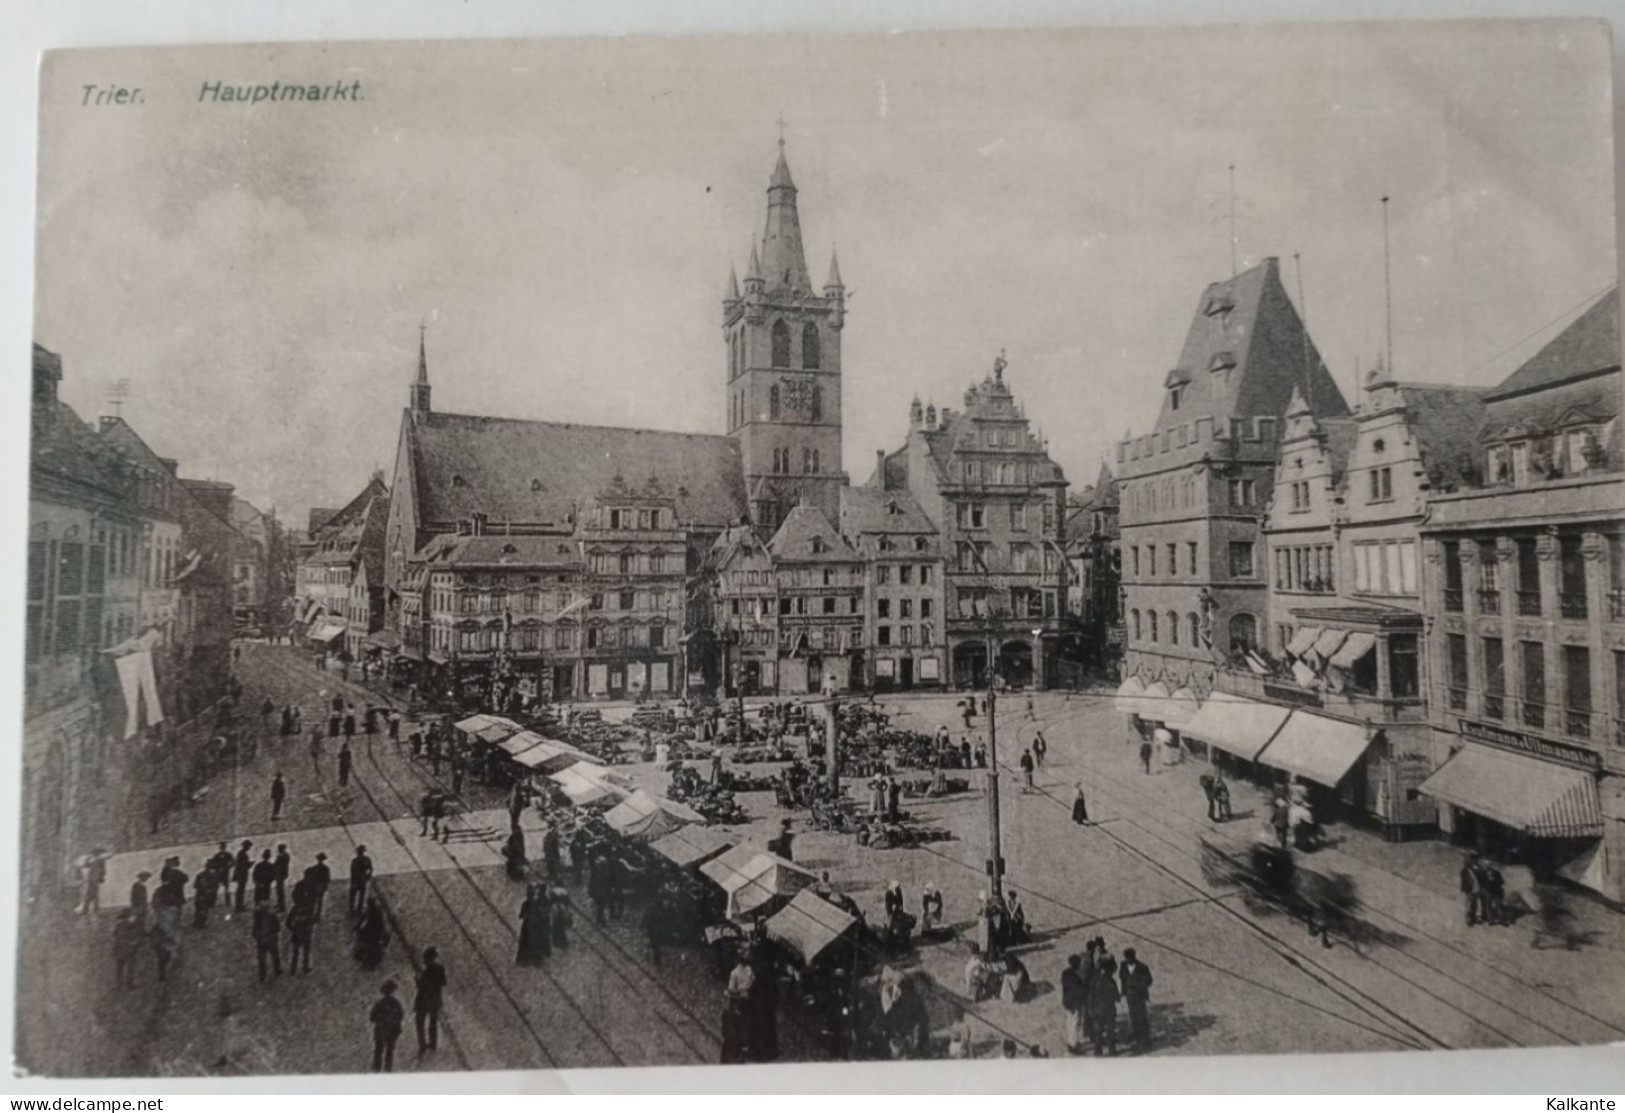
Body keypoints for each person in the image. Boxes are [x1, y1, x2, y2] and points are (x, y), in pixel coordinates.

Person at [414, 946, 448, 1057]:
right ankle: (432, 1043)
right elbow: (443, 982)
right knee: (432, 1022)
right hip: (434, 999)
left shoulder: (426, 971)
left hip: (424, 1000)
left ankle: (423, 1044)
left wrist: (419, 981)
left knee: (420, 1022)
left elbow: (422, 986)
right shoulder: (440, 968)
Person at [1087, 944, 1120, 1056]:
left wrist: (1091, 1008)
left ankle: (1097, 1050)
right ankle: (1112, 1050)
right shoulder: (1111, 982)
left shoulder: (1094, 982)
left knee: (1098, 1031)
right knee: (1110, 1031)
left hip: (1097, 1010)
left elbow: (1090, 996)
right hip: (1109, 1009)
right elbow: (1117, 997)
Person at [1119, 947, 1154, 1051]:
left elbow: (1149, 980)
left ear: (1134, 957)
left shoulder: (1142, 967)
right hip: (1130, 996)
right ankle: (1135, 1036)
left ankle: (1145, 1039)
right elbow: (1122, 979)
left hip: (1140, 996)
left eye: (1130, 958)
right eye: (1127, 958)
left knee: (1142, 1017)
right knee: (1133, 1016)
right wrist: (1123, 992)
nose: (1128, 960)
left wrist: (1141, 985)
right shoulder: (1123, 965)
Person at [370, 981, 405, 1072]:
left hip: (380, 1030)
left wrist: (381, 1020)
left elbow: (372, 1017)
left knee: (378, 1049)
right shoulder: (396, 1003)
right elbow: (401, 1016)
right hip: (392, 1030)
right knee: (389, 1051)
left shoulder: (379, 1004)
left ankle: (377, 1068)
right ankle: (388, 1068)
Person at [516, 885, 552, 966]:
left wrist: (526, 915)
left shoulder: (525, 904)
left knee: (525, 942)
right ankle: (537, 959)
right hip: (536, 925)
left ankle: (525, 959)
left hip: (527, 925)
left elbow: (521, 915)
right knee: (537, 940)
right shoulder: (537, 903)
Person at [1060, 954, 1086, 1053]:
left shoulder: (1065, 973)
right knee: (1075, 1023)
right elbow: (1079, 990)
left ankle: (1070, 1041)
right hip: (1074, 1003)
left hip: (1067, 1001)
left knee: (1069, 1022)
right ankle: (1073, 1045)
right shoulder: (1075, 977)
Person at [355, 896, 390, 969]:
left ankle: (367, 958)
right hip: (375, 929)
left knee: (369, 942)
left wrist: (357, 927)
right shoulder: (377, 910)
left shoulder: (370, 910)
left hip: (373, 930)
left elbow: (363, 919)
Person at [252, 900, 283, 981]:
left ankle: (263, 975)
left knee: (263, 959)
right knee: (274, 957)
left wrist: (260, 937)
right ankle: (277, 971)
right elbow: (278, 928)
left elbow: (254, 931)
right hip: (270, 940)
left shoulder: (258, 918)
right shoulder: (272, 916)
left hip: (262, 941)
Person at [113, 909, 143, 989]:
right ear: (127, 917)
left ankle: (123, 984)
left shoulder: (126, 925)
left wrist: (136, 941)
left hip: (125, 950)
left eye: (134, 916)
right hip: (125, 950)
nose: (134, 918)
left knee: (124, 967)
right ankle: (125, 984)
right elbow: (122, 937)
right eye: (132, 916)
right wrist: (132, 942)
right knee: (125, 967)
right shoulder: (122, 926)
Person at [286, 898, 316, 974]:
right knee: (305, 952)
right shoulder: (309, 910)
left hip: (298, 934)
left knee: (296, 953)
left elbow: (288, 923)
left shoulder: (295, 909)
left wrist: (294, 930)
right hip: (305, 934)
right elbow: (312, 920)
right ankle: (304, 968)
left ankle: (293, 970)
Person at [79, 849, 107, 915]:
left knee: (91, 894)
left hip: (94, 879)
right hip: (93, 878)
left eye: (95, 854)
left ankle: (88, 909)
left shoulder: (100, 860)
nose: (94, 855)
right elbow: (86, 865)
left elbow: (103, 870)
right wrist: (87, 859)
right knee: (93, 894)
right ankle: (93, 909)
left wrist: (101, 877)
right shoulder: (94, 860)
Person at [192, 861, 219, 928]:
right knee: (204, 909)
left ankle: (196, 922)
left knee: (198, 909)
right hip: (207, 895)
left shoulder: (200, 874)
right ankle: (201, 924)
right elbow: (215, 885)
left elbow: (195, 885)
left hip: (199, 894)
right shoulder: (213, 875)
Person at [1460, 852, 1484, 928]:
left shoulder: (1478, 868)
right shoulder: (1466, 869)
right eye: (1473, 859)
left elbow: (1481, 876)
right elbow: (1463, 876)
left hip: (1477, 888)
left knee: (1478, 902)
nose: (1475, 861)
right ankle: (1468, 918)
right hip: (1469, 889)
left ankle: (1478, 916)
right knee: (1469, 904)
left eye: (1476, 859)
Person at [350, 846, 374, 917]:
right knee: (361, 896)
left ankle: (353, 910)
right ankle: (358, 910)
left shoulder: (355, 861)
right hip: (363, 880)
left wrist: (352, 882)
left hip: (356, 881)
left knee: (353, 896)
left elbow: (352, 872)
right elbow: (371, 869)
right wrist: (368, 877)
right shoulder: (367, 859)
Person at [307, 853, 332, 921]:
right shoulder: (325, 868)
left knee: (313, 901)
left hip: (316, 886)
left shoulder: (314, 868)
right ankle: (317, 915)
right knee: (319, 902)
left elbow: (311, 878)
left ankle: (312, 914)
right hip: (320, 886)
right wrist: (325, 886)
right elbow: (327, 879)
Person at [232, 840, 254, 912]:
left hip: (239, 875)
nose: (249, 848)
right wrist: (251, 864)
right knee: (241, 890)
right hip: (242, 875)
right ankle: (239, 906)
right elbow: (245, 866)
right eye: (249, 846)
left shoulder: (240, 853)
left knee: (240, 890)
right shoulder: (243, 854)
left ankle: (239, 905)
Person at [273, 844, 292, 911]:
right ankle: (280, 904)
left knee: (280, 890)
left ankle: (282, 905)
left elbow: (279, 865)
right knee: (279, 889)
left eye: (279, 848)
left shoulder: (283, 856)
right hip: (280, 875)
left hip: (281, 875)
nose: (278, 850)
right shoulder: (283, 855)